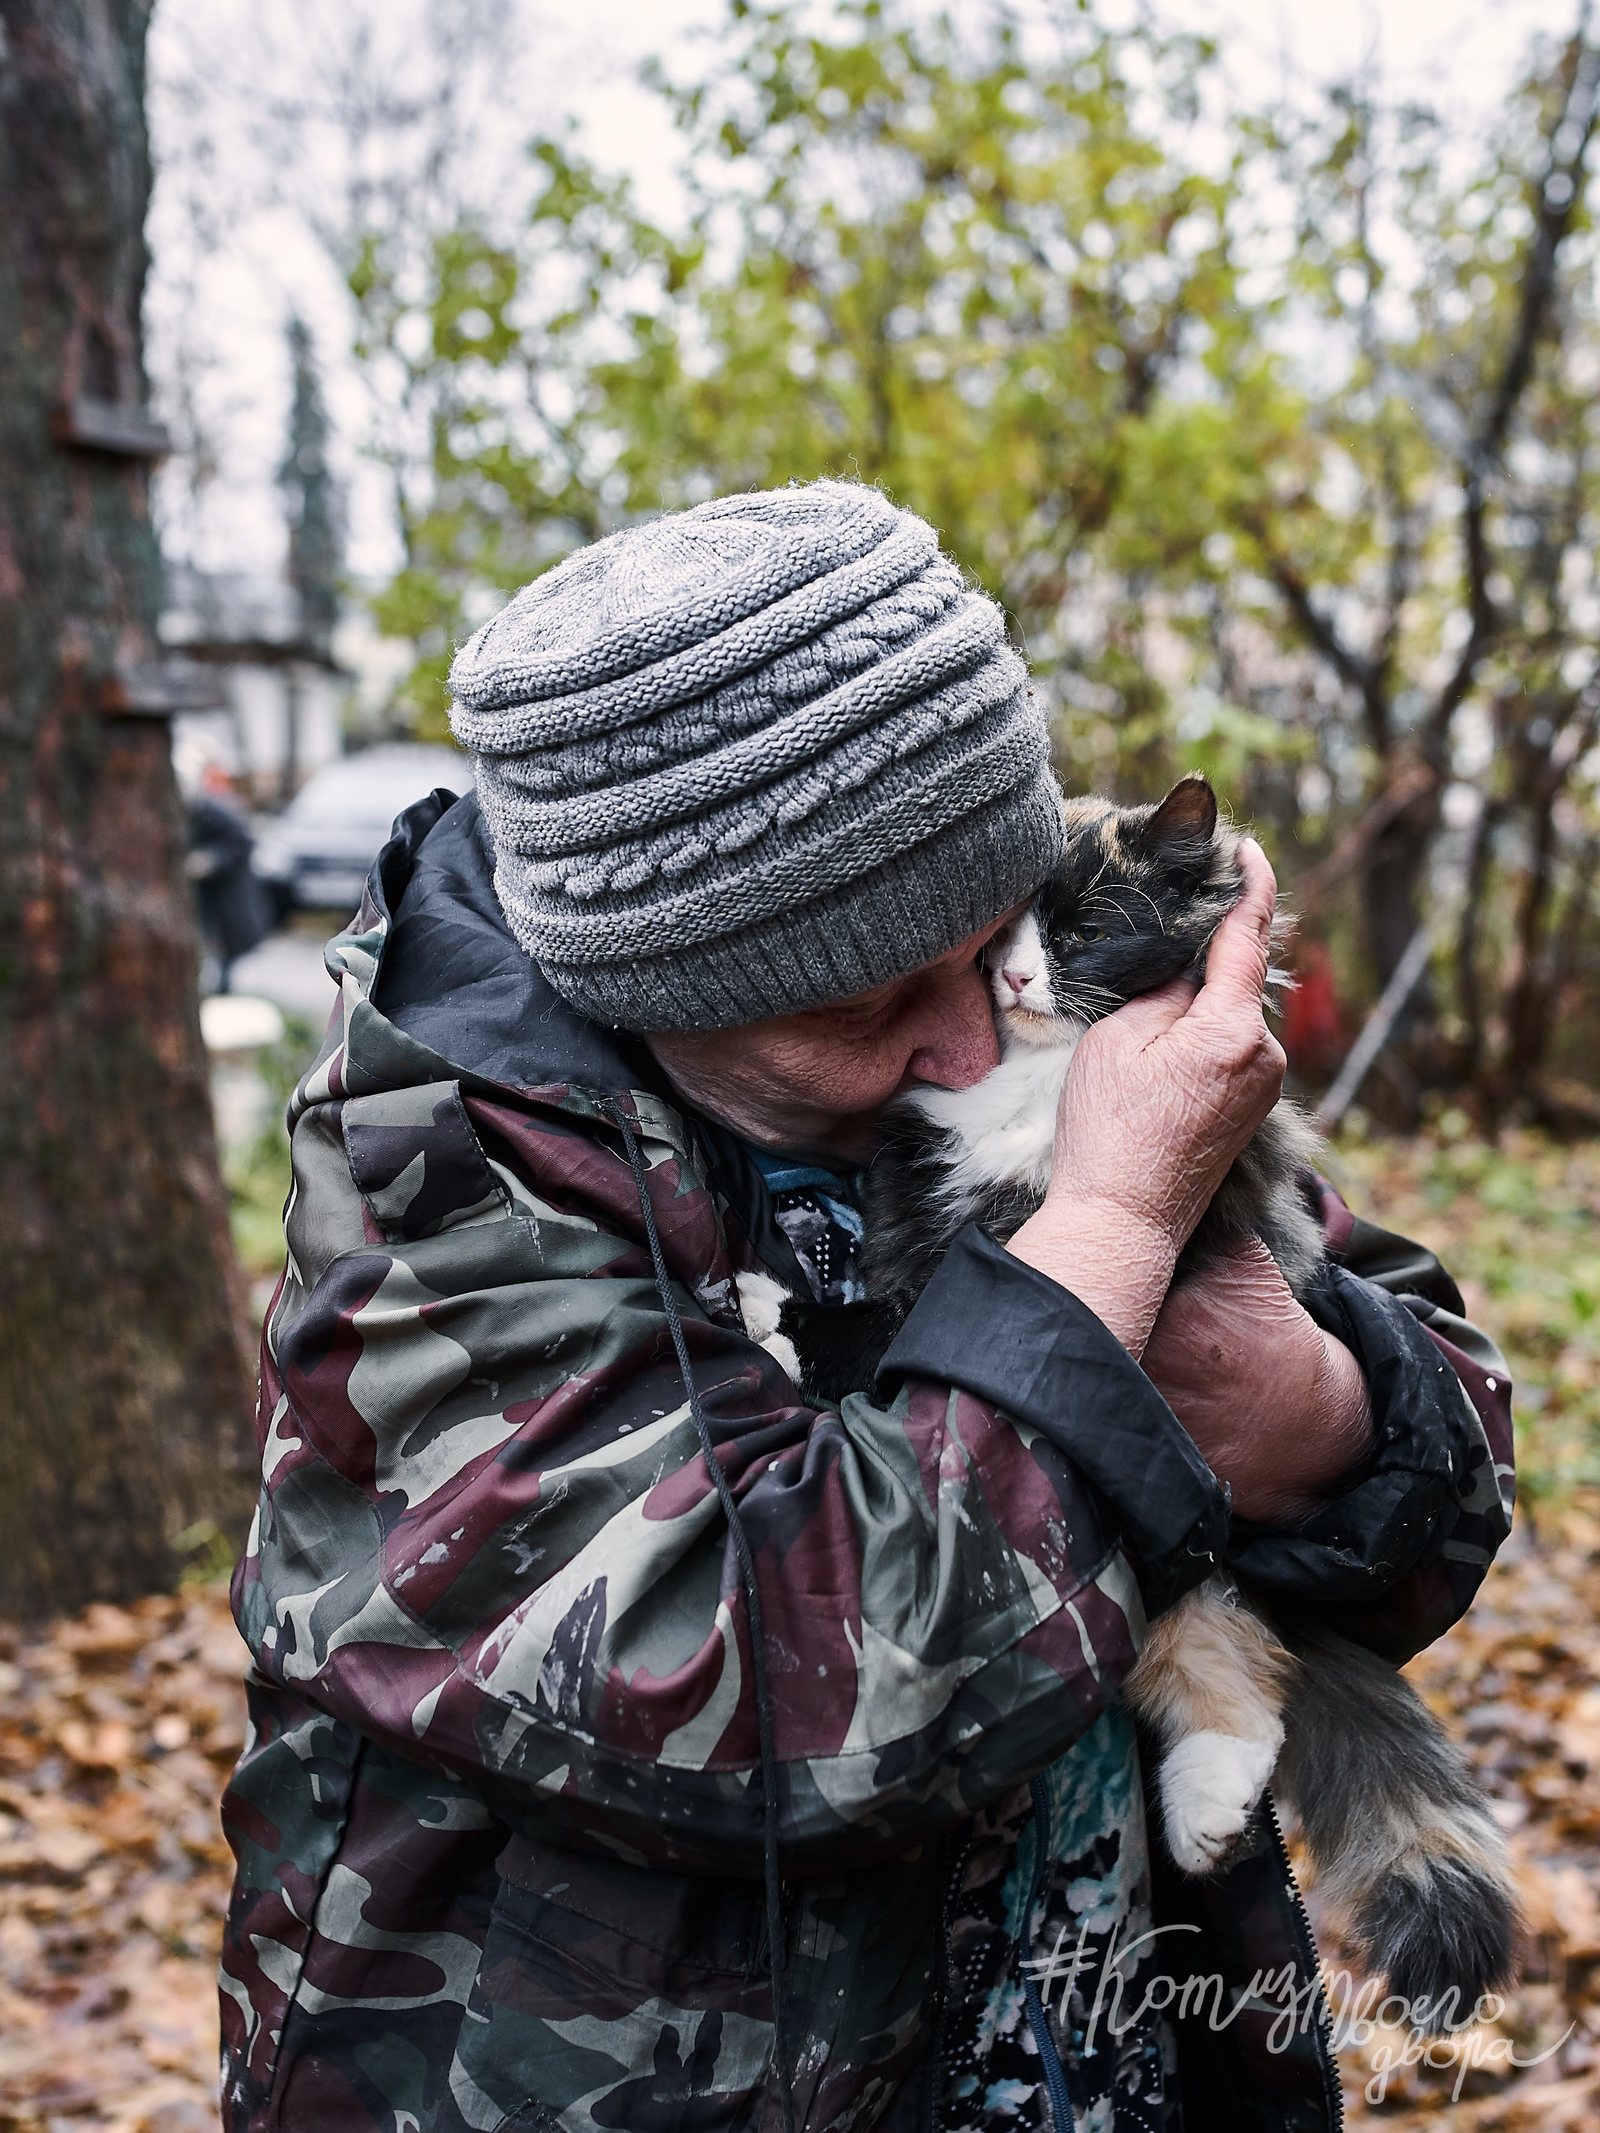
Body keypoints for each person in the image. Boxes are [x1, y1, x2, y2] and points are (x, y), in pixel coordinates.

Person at [219, 482, 1513, 2133]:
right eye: (883, 1000)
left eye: (989, 956)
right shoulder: (447, 1188)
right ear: (669, 990)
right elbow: (790, 1699)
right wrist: (1110, 1229)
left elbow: (1449, 1453)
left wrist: (1329, 1415)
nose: (978, 1049)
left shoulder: (1016, 1023)